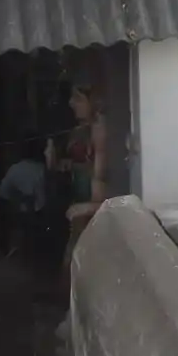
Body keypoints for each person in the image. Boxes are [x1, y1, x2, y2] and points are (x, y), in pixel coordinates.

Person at [47, 82, 108, 275]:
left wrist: (91, 207)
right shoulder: (80, 131)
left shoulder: (102, 131)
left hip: (94, 213)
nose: (72, 103)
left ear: (95, 101)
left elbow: (103, 177)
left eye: (78, 98)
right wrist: (56, 161)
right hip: (80, 208)